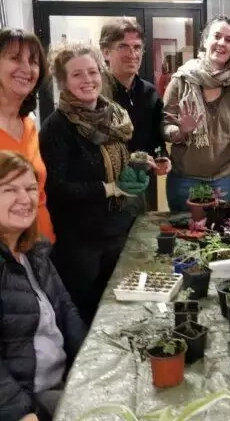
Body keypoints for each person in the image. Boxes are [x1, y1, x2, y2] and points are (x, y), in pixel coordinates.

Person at [39, 43, 148, 325]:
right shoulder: (56, 128)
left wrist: (139, 162)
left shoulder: (113, 116)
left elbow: (116, 160)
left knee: (121, 310)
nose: (87, 80)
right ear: (63, 81)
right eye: (77, 74)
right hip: (82, 243)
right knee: (89, 316)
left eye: (92, 71)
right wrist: (109, 189)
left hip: (117, 230)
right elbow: (57, 188)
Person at [0, 151, 85, 421]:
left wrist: (90, 361)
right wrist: (22, 412)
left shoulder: (34, 252)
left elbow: (66, 309)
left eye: (30, 188)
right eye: (9, 190)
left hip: (61, 381)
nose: (25, 199)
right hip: (26, 400)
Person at [162, 15, 230, 211]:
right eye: (217, 36)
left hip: (222, 182)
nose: (222, 43)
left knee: (219, 229)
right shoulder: (180, 81)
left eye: (228, 40)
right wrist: (180, 131)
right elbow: (164, 125)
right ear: (205, 40)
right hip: (184, 180)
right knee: (183, 229)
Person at [0, 28, 55, 243]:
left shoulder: (29, 126)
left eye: (33, 62)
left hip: (40, 246)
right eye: (15, 58)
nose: (26, 69)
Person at [100, 17, 171, 172]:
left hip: (143, 180)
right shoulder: (96, 95)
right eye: (123, 47)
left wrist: (162, 157)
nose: (132, 53)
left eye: (137, 47)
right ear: (106, 52)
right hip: (106, 182)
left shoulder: (150, 93)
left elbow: (157, 140)